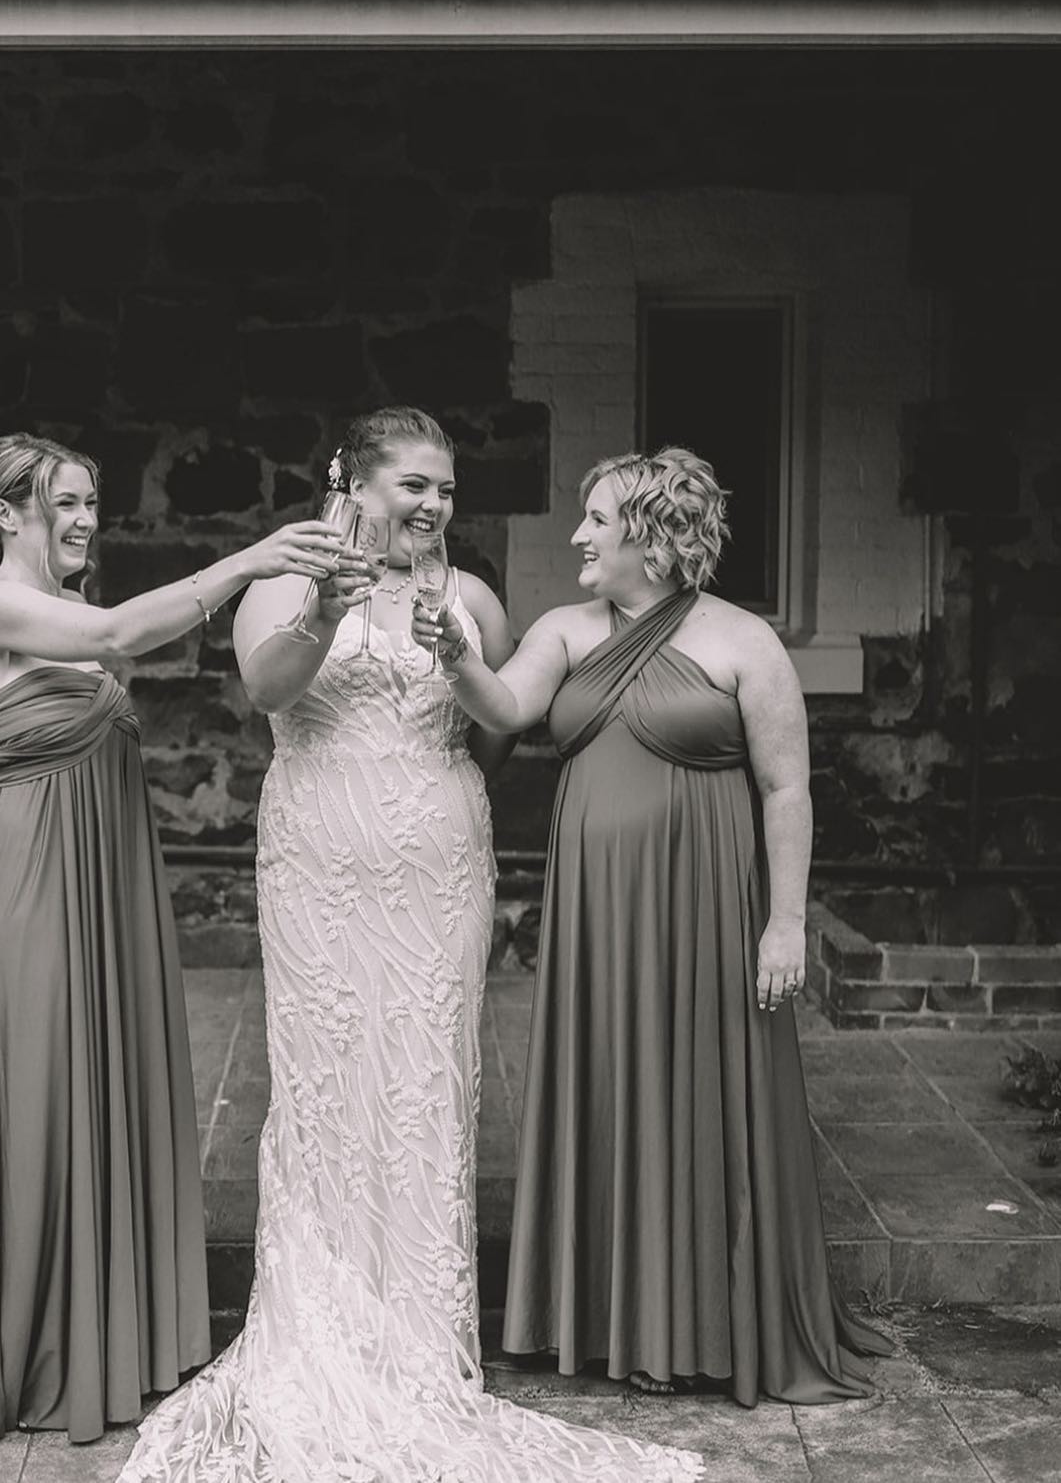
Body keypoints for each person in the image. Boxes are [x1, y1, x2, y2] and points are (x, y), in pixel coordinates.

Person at [119, 408, 703, 1483]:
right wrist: (323, 613)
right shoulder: (283, 582)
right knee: (327, 1082)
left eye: (444, 487)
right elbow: (266, 689)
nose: (433, 505)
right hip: (319, 853)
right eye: (413, 485)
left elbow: (492, 726)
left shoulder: (471, 596)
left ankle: (422, 1338)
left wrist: (449, 668)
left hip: (436, 853)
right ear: (352, 478)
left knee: (426, 1082)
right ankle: (324, 1322)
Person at [412, 444, 892, 1406]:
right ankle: (599, 1318)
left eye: (597, 519)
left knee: (703, 1084)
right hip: (599, 907)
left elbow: (785, 787)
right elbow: (504, 706)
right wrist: (459, 657)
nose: (579, 534)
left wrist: (784, 922)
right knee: (606, 1075)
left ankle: (704, 1322)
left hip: (707, 901)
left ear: (657, 539)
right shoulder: (562, 627)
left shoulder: (742, 641)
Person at [0, 430, 348, 1448]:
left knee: (96, 1081)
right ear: (5, 514)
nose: (84, 519)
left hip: (102, 878)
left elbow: (3, 741)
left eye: (90, 501)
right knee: (42, 1086)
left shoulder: (64, 610)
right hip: (37, 882)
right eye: (63, 502)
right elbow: (121, 638)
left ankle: (105, 1331)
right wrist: (248, 560)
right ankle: (36, 1342)